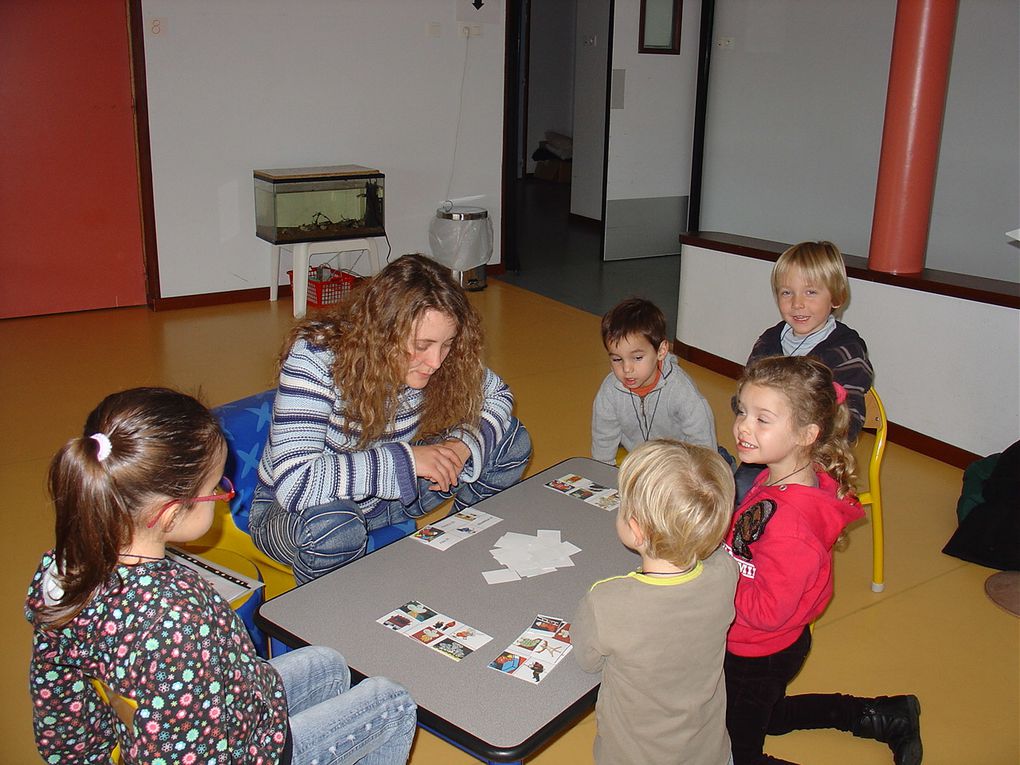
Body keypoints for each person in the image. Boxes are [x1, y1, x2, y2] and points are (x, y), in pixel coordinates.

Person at [26, 387, 416, 765]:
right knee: (393, 702)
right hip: (246, 751)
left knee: (329, 664)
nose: (224, 493)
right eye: (216, 488)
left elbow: (57, 686)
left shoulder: (64, 568)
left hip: (225, 707)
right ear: (167, 512)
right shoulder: (177, 617)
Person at [251, 253, 531, 583]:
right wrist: (409, 460)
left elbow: (498, 396)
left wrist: (461, 445)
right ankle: (324, 618)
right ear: (382, 332)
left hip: (388, 498)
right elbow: (295, 484)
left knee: (510, 439)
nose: (436, 361)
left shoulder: (443, 357)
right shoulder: (316, 355)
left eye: (447, 344)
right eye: (422, 346)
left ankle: (458, 546)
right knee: (336, 527)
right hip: (295, 514)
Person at [724, 356, 920, 765]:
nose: (743, 425)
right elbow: (752, 545)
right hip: (761, 642)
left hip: (758, 649)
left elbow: (767, 610)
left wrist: (714, 576)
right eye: (742, 410)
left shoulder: (791, 526)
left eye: (763, 419)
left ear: (806, 433)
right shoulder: (779, 472)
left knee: (735, 754)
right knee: (768, 715)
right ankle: (884, 715)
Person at [573, 439, 739, 765]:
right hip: (709, 752)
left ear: (635, 530)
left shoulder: (606, 601)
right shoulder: (725, 571)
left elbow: (587, 661)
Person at [734, 241, 875, 501]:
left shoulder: (846, 351)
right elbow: (742, 399)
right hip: (766, 452)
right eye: (787, 293)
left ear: (836, 297)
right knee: (736, 495)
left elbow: (847, 421)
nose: (797, 303)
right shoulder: (769, 341)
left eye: (810, 292)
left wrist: (796, 441)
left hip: (817, 459)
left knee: (792, 512)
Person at [591, 297, 717, 465]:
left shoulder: (681, 390)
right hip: (640, 459)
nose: (627, 368)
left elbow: (702, 441)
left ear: (661, 350)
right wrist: (601, 473)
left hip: (680, 462)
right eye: (616, 359)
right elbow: (603, 439)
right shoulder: (610, 391)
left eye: (637, 357)